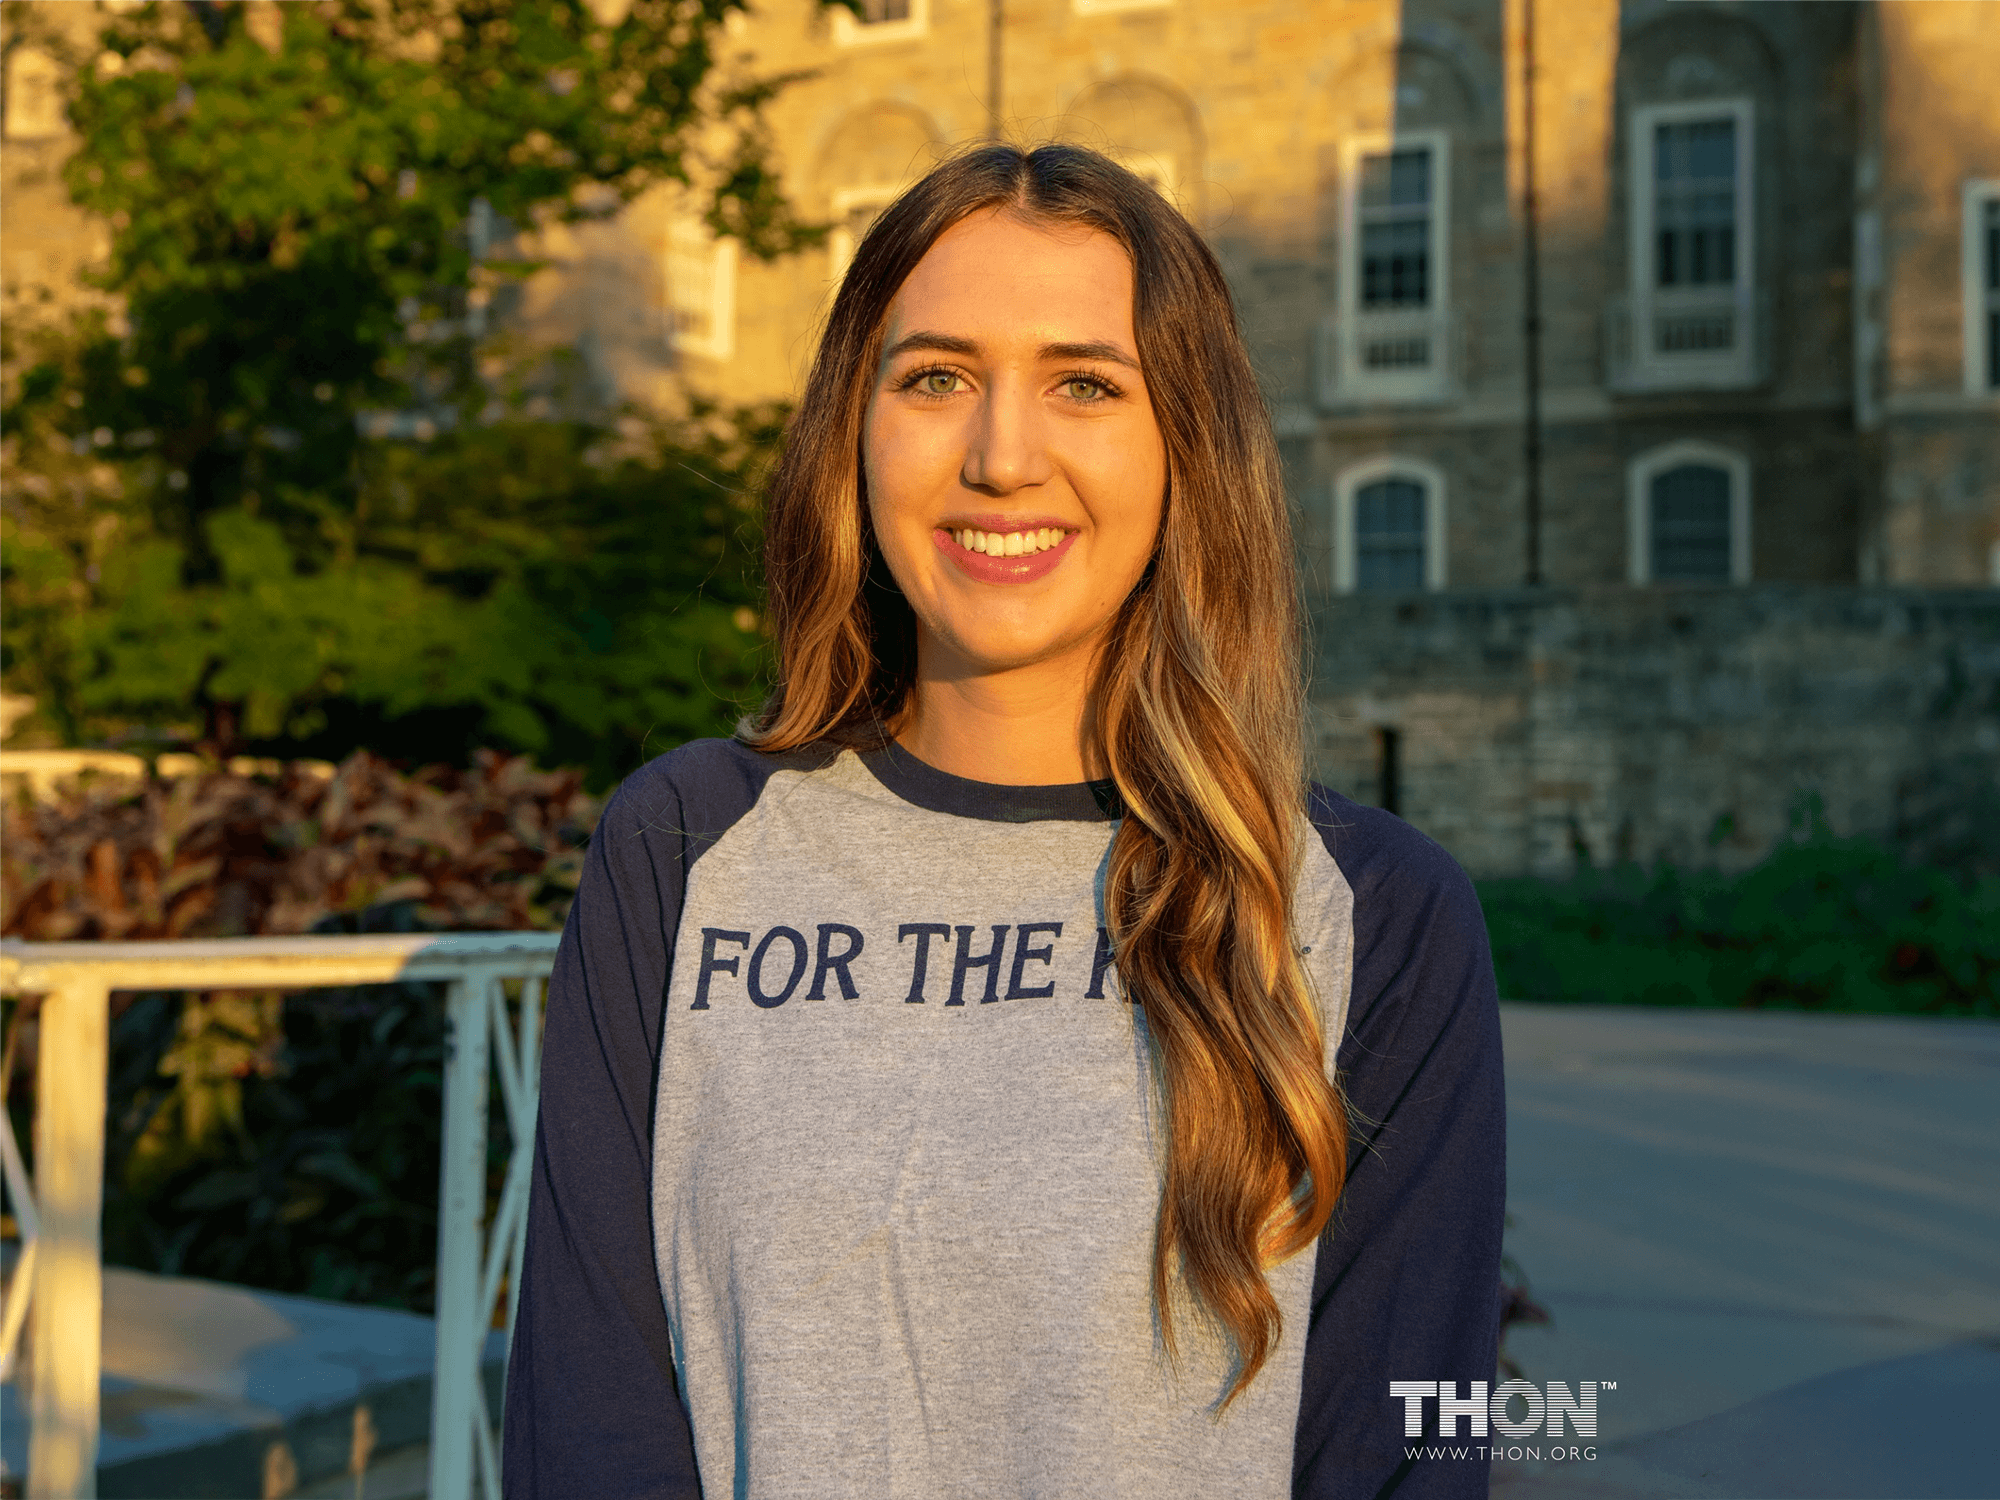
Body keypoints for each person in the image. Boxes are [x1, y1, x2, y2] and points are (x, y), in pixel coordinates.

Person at [503, 143, 1504, 1499]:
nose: (1001, 455)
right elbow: (586, 1413)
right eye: (935, 379)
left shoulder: (1370, 911)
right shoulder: (685, 849)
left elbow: (1411, 1450)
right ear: (851, 432)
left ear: (1184, 451)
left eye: (1086, 384)